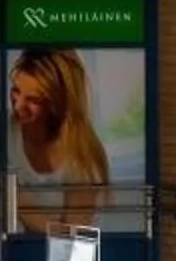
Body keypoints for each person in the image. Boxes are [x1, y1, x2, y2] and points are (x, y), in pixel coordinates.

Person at [6, 48, 110, 233]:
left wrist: (16, 201)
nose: (18, 105)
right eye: (16, 91)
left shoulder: (81, 157)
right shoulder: (4, 131)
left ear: (55, 103)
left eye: (32, 99)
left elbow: (73, 235)